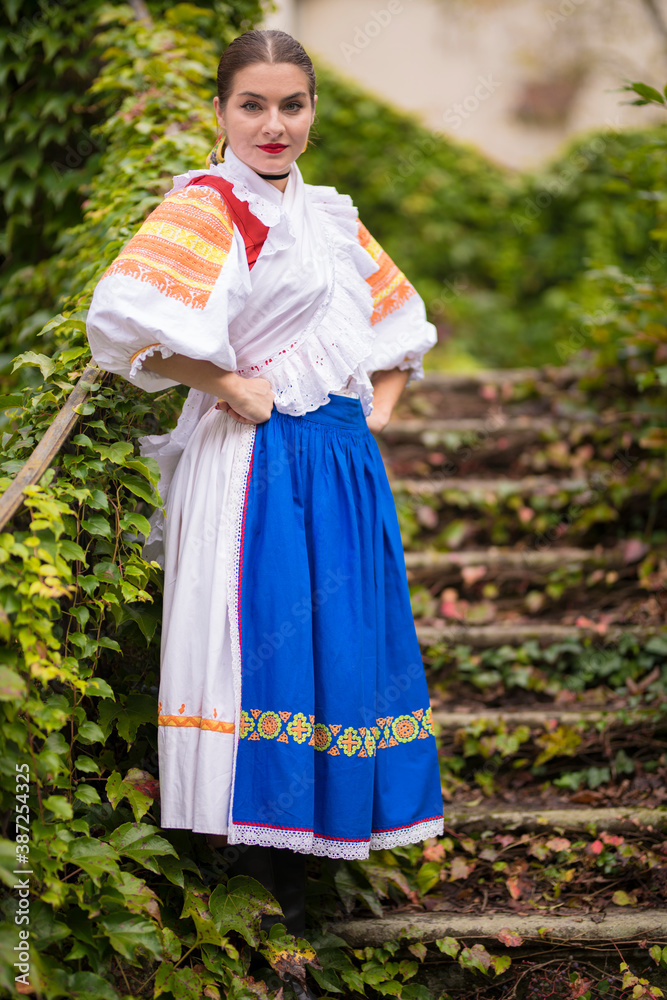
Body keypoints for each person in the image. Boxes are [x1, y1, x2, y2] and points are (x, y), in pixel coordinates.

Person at [87, 27, 444, 993]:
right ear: (220, 112)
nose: (274, 124)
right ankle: (260, 883)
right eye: (253, 105)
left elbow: (397, 326)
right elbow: (122, 330)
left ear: (313, 110)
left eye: (292, 105)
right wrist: (223, 382)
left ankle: (322, 857)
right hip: (254, 460)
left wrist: (377, 410)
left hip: (336, 460)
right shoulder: (208, 208)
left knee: (340, 653)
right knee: (265, 655)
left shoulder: (327, 215)